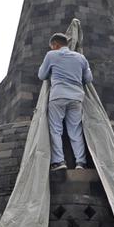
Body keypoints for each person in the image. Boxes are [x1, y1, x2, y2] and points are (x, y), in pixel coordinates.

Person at [38, 33, 93, 171]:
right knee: (75, 130)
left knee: (56, 129)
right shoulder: (81, 58)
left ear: (55, 45)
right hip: (76, 97)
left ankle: (59, 161)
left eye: (52, 46)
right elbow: (88, 78)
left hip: (58, 96)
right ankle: (81, 162)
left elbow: (42, 75)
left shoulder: (51, 55)